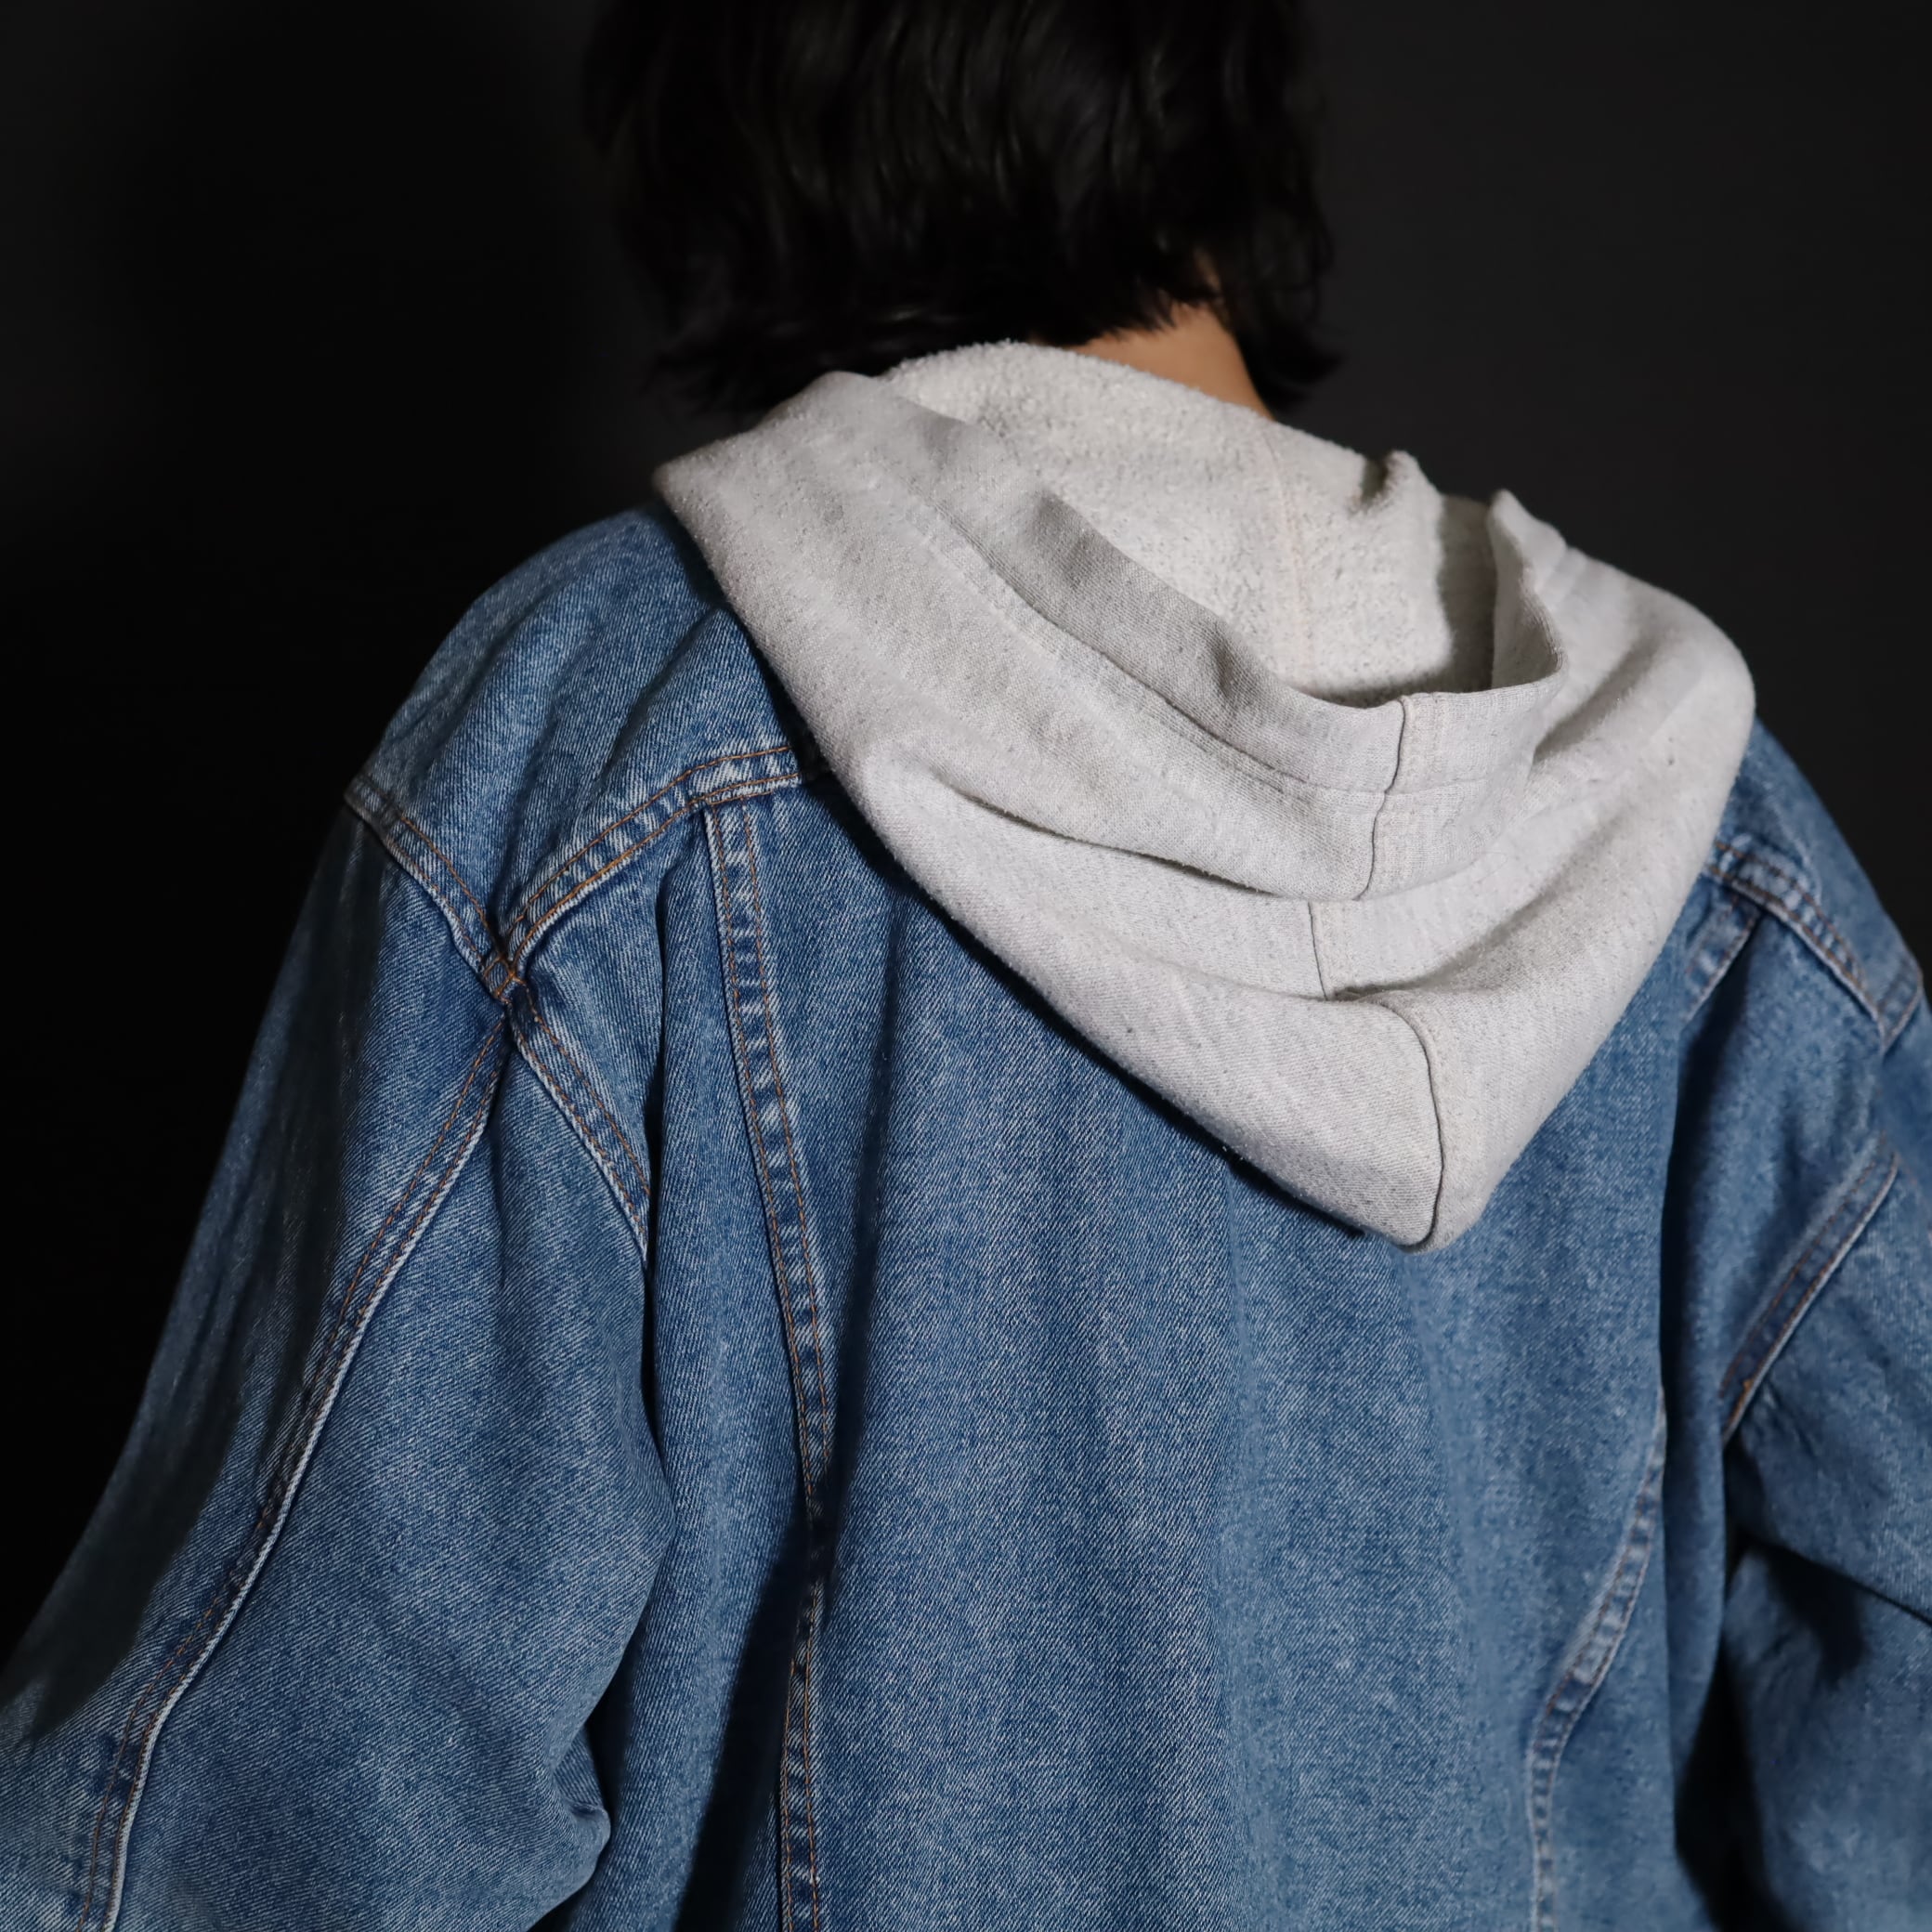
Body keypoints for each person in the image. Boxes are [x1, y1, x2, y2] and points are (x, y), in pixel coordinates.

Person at [4, 0, 1926, 1925]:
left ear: (735, 128)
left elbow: (280, 1794)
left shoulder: (605, 741)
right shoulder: (1704, 825)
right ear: (1228, 104)